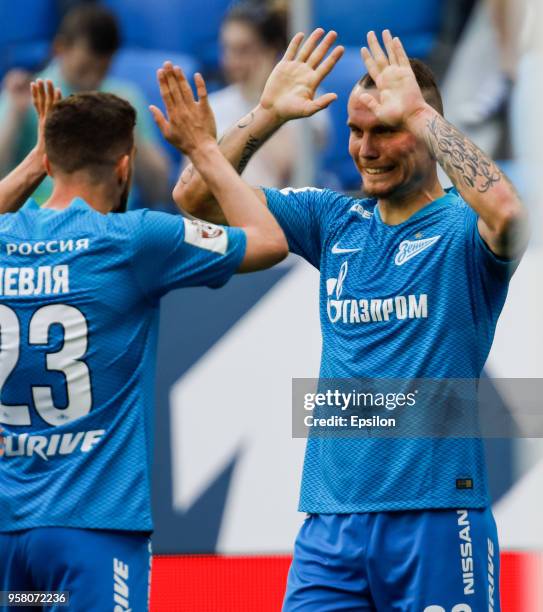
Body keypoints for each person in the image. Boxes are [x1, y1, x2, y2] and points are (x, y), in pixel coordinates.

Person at [176, 28, 528, 611]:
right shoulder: (332, 219)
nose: (365, 149)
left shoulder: (462, 232)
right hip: (330, 523)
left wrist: (417, 111)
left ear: (422, 130)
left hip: (438, 516)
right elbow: (196, 198)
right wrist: (264, 114)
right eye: (356, 132)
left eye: (385, 130)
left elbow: (510, 214)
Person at [0, 65, 287, 611]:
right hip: (93, 531)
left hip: (9, 540)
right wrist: (203, 149)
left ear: (48, 162)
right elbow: (268, 240)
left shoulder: (4, 236)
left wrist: (36, 162)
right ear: (125, 164)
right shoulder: (135, 240)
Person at [0, 4, 170, 207]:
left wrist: (125, 130)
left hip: (112, 219)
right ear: (60, 48)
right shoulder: (28, 94)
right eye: (85, 69)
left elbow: (159, 190)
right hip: (41, 220)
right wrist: (14, 117)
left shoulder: (125, 97)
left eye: (102, 70)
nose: (93, 80)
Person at [210, 0, 328, 187]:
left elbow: (285, 169)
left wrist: (259, 97)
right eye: (227, 49)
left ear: (271, 51)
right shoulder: (213, 105)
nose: (231, 61)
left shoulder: (305, 100)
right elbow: (190, 185)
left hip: (281, 212)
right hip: (217, 213)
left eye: (244, 50)